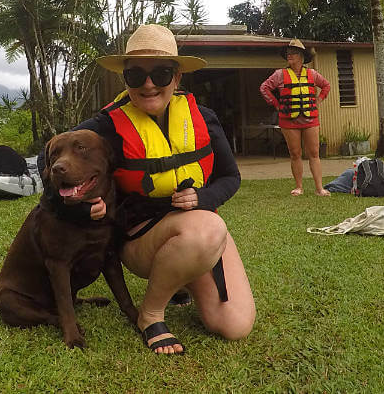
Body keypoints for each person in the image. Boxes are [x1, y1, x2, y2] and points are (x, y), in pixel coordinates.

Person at [43, 23, 255, 356]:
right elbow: (54, 165)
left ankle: (181, 276)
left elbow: (231, 177)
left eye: (161, 73)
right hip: (142, 238)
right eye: (136, 75)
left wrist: (205, 197)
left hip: (198, 230)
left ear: (177, 77)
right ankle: (152, 314)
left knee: (234, 324)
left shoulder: (205, 118)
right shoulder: (105, 127)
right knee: (208, 228)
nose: (148, 84)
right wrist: (84, 207)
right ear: (124, 78)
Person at [258, 38, 331, 196]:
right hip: (288, 121)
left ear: (302, 56)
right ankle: (299, 187)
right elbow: (264, 88)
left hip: (311, 119)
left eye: (294, 53)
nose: (290, 55)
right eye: (288, 53)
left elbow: (326, 85)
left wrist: (319, 100)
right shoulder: (279, 75)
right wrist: (277, 104)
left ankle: (319, 188)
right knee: (295, 153)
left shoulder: (312, 74)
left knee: (314, 153)